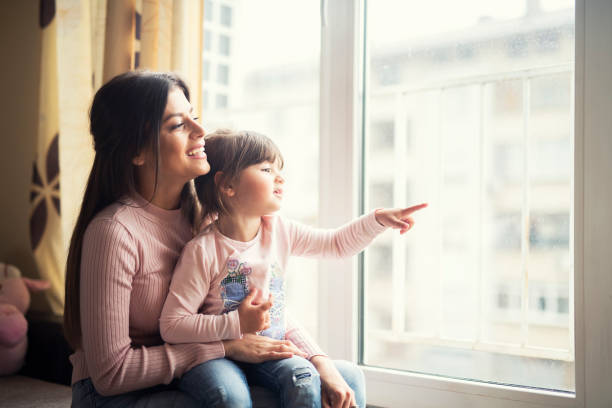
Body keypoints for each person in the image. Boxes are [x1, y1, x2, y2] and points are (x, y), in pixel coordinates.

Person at [63, 71, 311, 407]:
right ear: (137, 152)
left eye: (194, 117)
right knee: (230, 399)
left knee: (323, 385)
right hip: (117, 392)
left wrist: (318, 359)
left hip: (189, 374)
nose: (201, 132)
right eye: (179, 125)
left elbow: (263, 302)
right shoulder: (114, 232)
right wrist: (223, 346)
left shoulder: (209, 220)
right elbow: (111, 374)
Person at [159, 129, 428, 407]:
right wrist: (236, 324)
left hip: (269, 350)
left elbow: (335, 244)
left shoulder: (279, 230)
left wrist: (378, 220)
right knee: (229, 396)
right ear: (227, 185)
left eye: (279, 169)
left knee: (303, 376)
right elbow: (172, 325)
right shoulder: (202, 251)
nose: (280, 177)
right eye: (266, 168)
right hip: (217, 355)